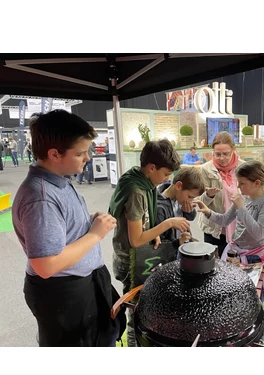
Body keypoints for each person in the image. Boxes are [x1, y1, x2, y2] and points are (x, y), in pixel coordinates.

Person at [11, 109, 125, 347]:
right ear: (54, 154)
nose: (88, 158)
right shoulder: (40, 197)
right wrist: (95, 234)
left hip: (81, 284)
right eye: (80, 153)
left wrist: (87, 220)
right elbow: (46, 265)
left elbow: (60, 226)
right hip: (64, 293)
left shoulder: (59, 180)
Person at [109, 139, 191, 346]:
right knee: (136, 312)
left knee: (143, 307)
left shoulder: (140, 179)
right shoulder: (137, 191)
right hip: (131, 261)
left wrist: (153, 231)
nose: (167, 179)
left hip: (136, 256)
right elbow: (136, 240)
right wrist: (167, 224)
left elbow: (142, 224)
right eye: (165, 174)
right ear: (152, 167)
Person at [194, 160, 264, 310]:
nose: (238, 187)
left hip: (256, 258)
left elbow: (259, 233)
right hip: (237, 254)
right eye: (238, 182)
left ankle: (255, 323)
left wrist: (241, 207)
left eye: (242, 183)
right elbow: (224, 220)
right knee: (235, 297)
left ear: (257, 183)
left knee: (252, 301)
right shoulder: (243, 198)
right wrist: (208, 212)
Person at [198, 132, 244, 256]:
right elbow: (200, 202)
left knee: (236, 262)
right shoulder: (205, 169)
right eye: (217, 154)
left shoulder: (244, 167)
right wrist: (209, 195)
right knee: (213, 262)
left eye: (226, 154)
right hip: (214, 227)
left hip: (238, 226)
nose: (222, 158)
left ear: (233, 150)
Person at [157, 167, 205, 256]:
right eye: (190, 197)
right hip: (170, 255)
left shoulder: (179, 197)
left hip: (181, 251)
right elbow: (159, 243)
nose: (190, 201)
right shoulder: (160, 208)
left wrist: (188, 212)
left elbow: (190, 218)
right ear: (178, 186)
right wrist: (178, 242)